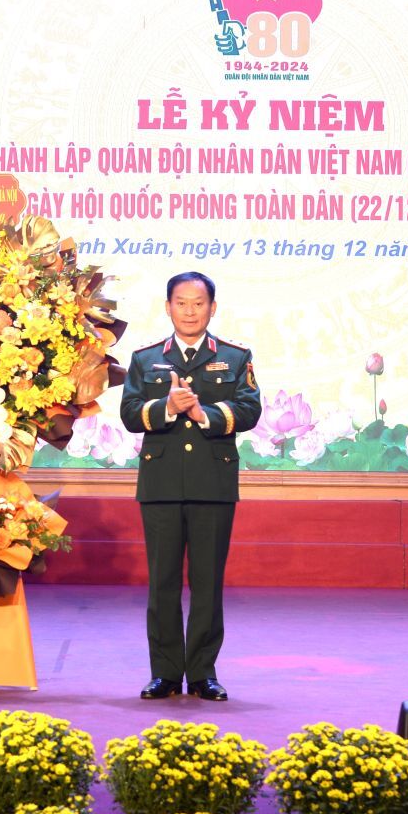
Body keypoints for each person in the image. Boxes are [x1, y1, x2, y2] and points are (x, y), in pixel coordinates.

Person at [119, 271, 260, 701]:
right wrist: (166, 406)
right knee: (162, 583)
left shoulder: (235, 356)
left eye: (199, 303)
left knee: (207, 583)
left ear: (212, 308)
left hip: (212, 483)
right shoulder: (145, 358)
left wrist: (203, 415)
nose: (190, 311)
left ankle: (202, 673)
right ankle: (164, 673)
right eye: (181, 303)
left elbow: (250, 410)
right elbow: (129, 413)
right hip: (160, 483)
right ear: (168, 307)